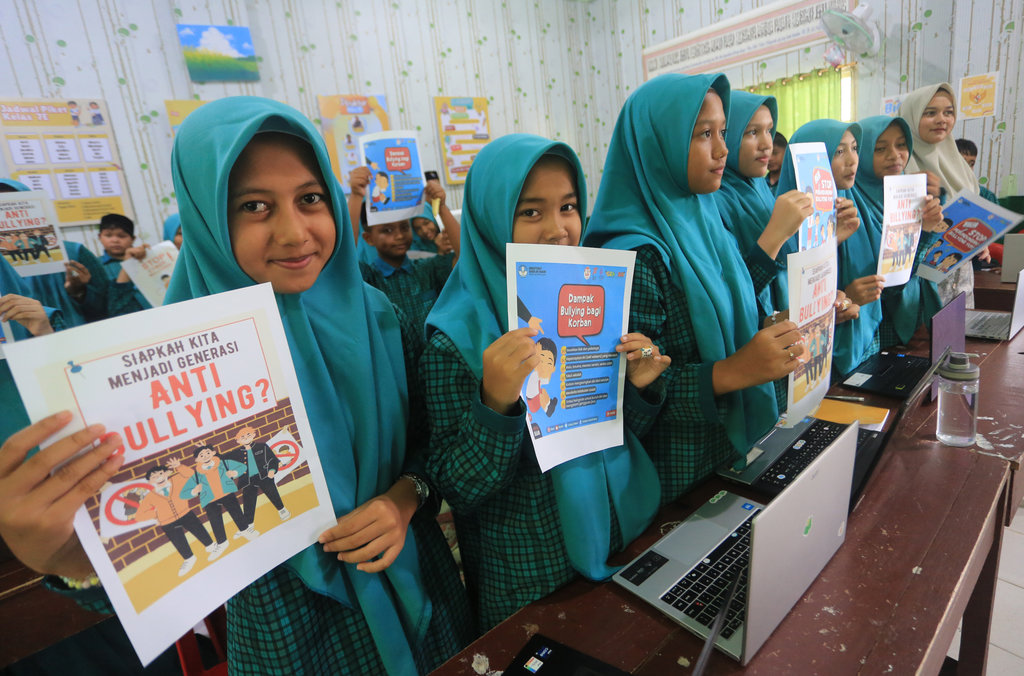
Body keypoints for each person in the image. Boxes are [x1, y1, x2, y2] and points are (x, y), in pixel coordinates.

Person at [0, 97, 471, 675]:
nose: (295, 232)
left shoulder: (377, 316)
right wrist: (67, 558)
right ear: (206, 220)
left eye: (310, 198)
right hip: (288, 632)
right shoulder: (157, 363)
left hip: (417, 588)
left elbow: (434, 445)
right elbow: (156, 556)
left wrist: (403, 501)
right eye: (253, 206)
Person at [422, 133, 668, 631]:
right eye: (531, 212)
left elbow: (606, 430)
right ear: (491, 218)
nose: (559, 230)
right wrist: (496, 403)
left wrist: (638, 389)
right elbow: (457, 490)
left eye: (569, 206)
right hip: (530, 578)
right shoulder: (454, 337)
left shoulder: (591, 296)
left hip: (616, 532)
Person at [583, 73, 806, 506]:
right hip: (682, 473)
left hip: (735, 449)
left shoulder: (706, 216)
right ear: (657, 142)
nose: (723, 149)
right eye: (705, 134)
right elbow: (635, 390)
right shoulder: (633, 255)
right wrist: (738, 369)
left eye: (723, 132)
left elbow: (735, 300)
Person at [851, 115, 945, 348]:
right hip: (878, 329)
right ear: (860, 155)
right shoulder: (851, 205)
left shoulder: (910, 192)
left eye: (902, 145)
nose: (895, 155)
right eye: (880, 148)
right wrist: (924, 233)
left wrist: (930, 228)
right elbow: (886, 279)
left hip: (917, 316)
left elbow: (923, 262)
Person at [902, 83, 989, 307]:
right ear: (912, 116)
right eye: (930, 113)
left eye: (948, 112)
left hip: (961, 278)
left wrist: (979, 241)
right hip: (919, 283)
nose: (942, 119)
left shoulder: (959, 165)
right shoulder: (900, 166)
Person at [97, 213, 151, 316]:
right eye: (108, 235)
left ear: (133, 238)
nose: (115, 240)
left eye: (122, 236)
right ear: (100, 237)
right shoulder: (98, 266)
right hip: (122, 319)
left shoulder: (144, 258)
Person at [955, 138, 1000, 203]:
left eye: (971, 164)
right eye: (963, 163)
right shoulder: (941, 192)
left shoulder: (986, 196)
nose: (967, 168)